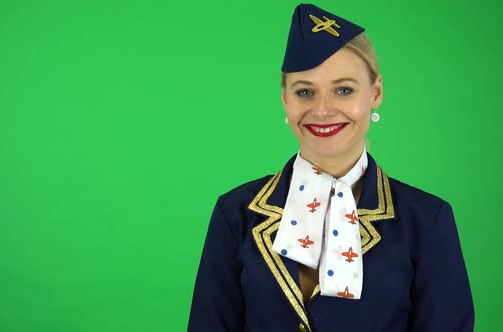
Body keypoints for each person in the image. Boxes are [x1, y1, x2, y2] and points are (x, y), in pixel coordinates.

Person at [187, 3, 474, 332]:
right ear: (285, 99)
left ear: (376, 93)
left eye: (344, 90)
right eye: (305, 92)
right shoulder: (235, 213)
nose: (322, 110)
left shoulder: (426, 220)